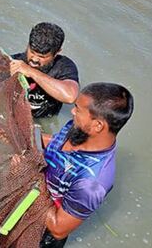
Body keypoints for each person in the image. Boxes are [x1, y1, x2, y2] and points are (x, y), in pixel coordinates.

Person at [39, 82, 134, 247]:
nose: (72, 111)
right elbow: (55, 143)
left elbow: (57, 228)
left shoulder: (92, 183)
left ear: (97, 125)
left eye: (78, 109)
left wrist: (27, 183)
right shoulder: (79, 128)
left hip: (41, 233)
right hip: (32, 196)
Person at [0, 22, 79, 118]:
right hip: (12, 114)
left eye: (42, 57)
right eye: (32, 52)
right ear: (28, 45)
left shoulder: (64, 66)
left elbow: (70, 96)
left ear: (57, 53)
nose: (35, 60)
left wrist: (31, 71)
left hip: (46, 117)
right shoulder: (14, 62)